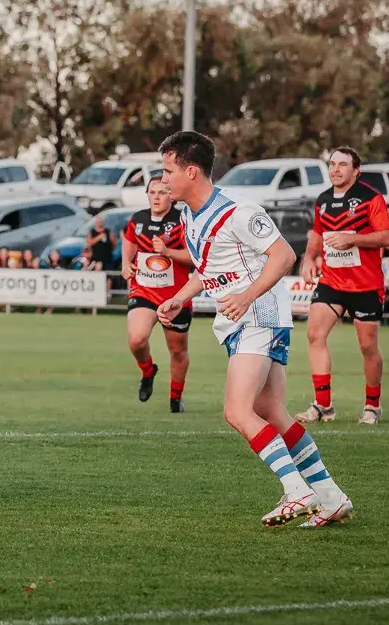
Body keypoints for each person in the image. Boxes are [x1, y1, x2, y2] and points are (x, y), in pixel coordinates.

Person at [155, 131, 351, 527]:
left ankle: (297, 491)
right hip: (244, 319)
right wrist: (181, 295)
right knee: (271, 411)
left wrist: (246, 296)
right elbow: (210, 268)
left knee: (237, 410)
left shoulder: (238, 210)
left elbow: (284, 255)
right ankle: (331, 497)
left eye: (168, 171)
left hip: (259, 315)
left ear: (191, 172)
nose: (163, 181)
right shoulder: (191, 215)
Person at [295, 147, 389, 427]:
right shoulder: (323, 200)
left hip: (366, 285)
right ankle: (323, 405)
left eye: (342, 165)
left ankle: (372, 406)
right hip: (332, 282)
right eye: (332, 164)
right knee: (315, 335)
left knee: (368, 347)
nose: (336, 169)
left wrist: (354, 240)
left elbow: (387, 236)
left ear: (356, 170)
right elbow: (318, 233)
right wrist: (309, 258)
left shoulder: (371, 198)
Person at [121, 175, 193, 412]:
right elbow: (129, 240)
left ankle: (175, 398)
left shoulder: (184, 220)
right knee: (136, 338)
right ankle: (148, 370)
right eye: (152, 193)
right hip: (144, 290)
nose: (156, 197)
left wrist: (169, 252)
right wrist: (125, 262)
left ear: (171, 195)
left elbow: (194, 257)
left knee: (177, 350)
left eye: (162, 193)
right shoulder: (138, 219)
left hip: (176, 296)